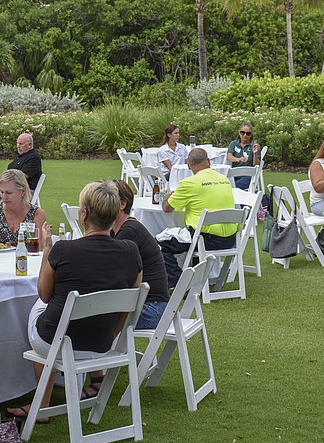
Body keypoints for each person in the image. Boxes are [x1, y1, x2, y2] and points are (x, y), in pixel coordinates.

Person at [7, 180, 142, 422]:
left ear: (84, 215)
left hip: (57, 344)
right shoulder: (132, 250)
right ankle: (55, 397)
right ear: (114, 215)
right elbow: (130, 303)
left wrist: (48, 248)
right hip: (103, 345)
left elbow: (43, 294)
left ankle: (42, 403)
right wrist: (112, 335)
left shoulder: (64, 250)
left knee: (37, 307)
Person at [159, 148, 236, 289]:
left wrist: (167, 196)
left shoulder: (188, 183)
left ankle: (178, 284)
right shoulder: (224, 180)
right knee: (188, 235)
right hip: (230, 239)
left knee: (160, 244)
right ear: (208, 161)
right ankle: (197, 278)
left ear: (188, 164)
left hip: (205, 239)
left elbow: (167, 208)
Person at [112, 180, 169, 330]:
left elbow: (115, 276)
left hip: (152, 310)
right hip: (151, 305)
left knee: (87, 315)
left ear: (122, 204)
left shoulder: (129, 231)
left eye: (107, 199)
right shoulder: (118, 230)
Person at [226, 121, 261, 191]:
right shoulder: (234, 144)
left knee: (231, 187)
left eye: (248, 133)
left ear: (251, 135)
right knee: (225, 185)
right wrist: (238, 159)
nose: (245, 135)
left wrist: (255, 154)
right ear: (239, 133)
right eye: (242, 132)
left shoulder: (254, 146)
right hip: (233, 175)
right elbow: (229, 156)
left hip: (248, 177)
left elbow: (256, 165)